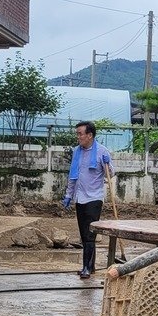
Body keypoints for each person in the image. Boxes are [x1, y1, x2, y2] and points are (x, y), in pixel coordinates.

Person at [62, 120, 112, 279]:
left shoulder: (102, 152)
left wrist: (107, 164)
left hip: (94, 198)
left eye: (80, 134)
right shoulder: (77, 151)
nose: (78, 137)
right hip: (80, 197)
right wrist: (69, 194)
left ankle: (86, 268)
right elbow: (73, 175)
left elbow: (111, 174)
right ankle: (90, 266)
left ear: (90, 135)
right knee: (84, 234)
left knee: (90, 235)